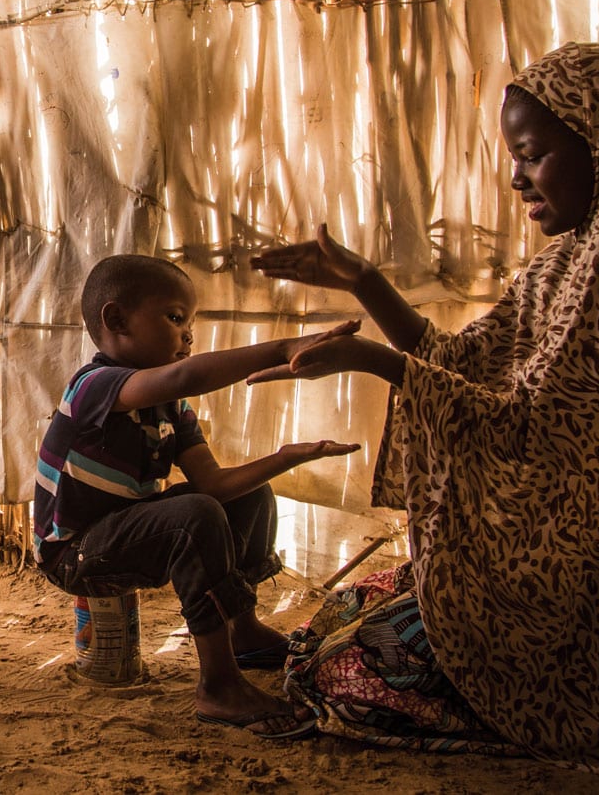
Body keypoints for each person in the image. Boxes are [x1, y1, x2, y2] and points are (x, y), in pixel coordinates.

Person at [252, 43, 599, 791]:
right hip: (563, 587)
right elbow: (465, 366)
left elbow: (527, 434)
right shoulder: (571, 260)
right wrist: (365, 282)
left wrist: (374, 361)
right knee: (338, 613)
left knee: (340, 672)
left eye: (533, 155)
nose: (516, 177)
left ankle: (556, 712)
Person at [34, 253, 361, 739]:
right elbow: (186, 376)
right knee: (193, 515)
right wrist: (283, 347)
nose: (188, 335)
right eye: (174, 318)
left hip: (122, 530)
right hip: (73, 553)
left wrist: (290, 456)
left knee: (247, 497)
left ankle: (243, 632)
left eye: (191, 323)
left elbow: (214, 484)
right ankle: (219, 685)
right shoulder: (93, 387)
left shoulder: (171, 407)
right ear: (116, 320)